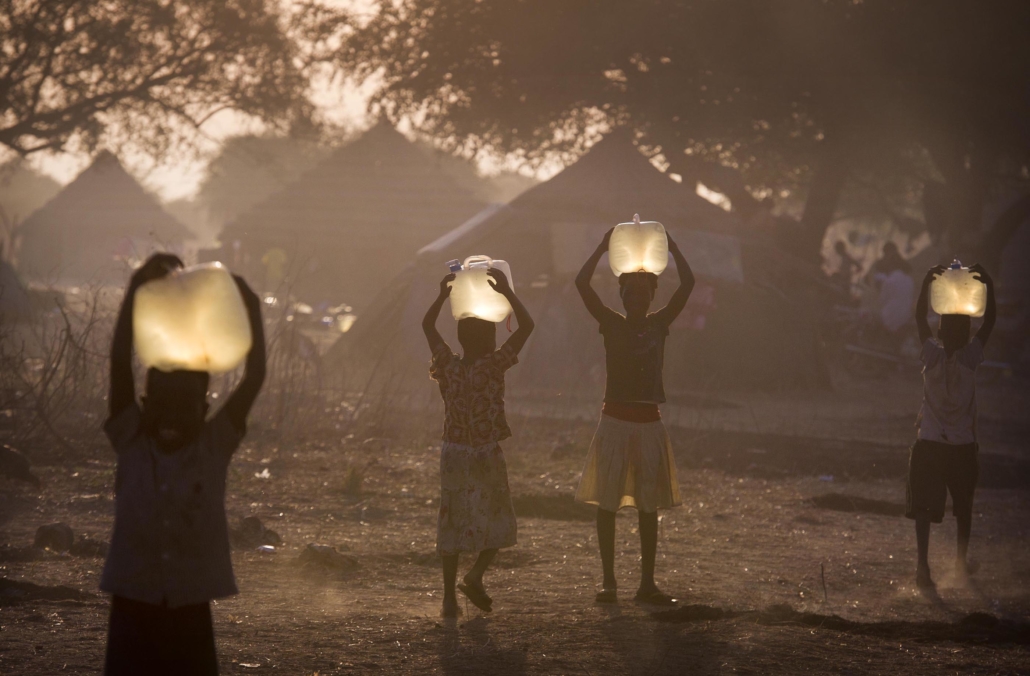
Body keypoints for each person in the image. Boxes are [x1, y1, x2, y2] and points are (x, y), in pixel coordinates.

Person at [102, 253, 266, 675]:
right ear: (144, 404)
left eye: (185, 405)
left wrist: (250, 308)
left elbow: (254, 377)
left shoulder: (213, 446)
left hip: (191, 603)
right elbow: (119, 363)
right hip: (133, 600)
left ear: (205, 407)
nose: (172, 417)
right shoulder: (132, 440)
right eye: (163, 404)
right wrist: (137, 285)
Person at [574, 228, 694, 606]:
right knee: (607, 505)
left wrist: (671, 246)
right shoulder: (611, 322)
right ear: (621, 296)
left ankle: (646, 584)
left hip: (648, 424)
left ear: (652, 296)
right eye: (629, 293)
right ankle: (609, 582)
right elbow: (581, 282)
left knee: (647, 507)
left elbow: (688, 282)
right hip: (615, 423)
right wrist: (600, 244)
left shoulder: (660, 323)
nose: (636, 299)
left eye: (643, 294)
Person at [423, 267, 534, 618]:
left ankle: (448, 599)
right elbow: (527, 327)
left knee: (452, 522)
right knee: (498, 519)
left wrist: (443, 295)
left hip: (453, 453)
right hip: (485, 451)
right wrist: (506, 293)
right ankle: (474, 576)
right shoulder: (494, 365)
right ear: (489, 342)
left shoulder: (449, 366)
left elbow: (427, 327)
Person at [907, 263, 995, 590]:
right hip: (961, 445)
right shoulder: (972, 358)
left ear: (940, 332)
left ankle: (922, 568)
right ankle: (960, 565)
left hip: (929, 442)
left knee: (923, 509)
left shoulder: (930, 355)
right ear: (968, 335)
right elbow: (991, 322)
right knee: (965, 509)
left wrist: (926, 282)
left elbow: (919, 319)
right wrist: (989, 285)